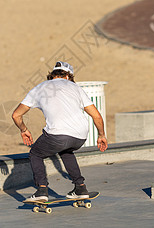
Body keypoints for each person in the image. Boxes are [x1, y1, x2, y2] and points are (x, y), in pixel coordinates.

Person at [12, 61, 108, 202]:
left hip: (57, 135)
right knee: (66, 151)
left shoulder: (40, 87)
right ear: (69, 76)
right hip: (80, 136)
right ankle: (80, 187)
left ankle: (42, 190)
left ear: (52, 75)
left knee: (35, 154)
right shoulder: (76, 88)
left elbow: (16, 115)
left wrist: (24, 129)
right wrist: (101, 135)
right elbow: (96, 116)